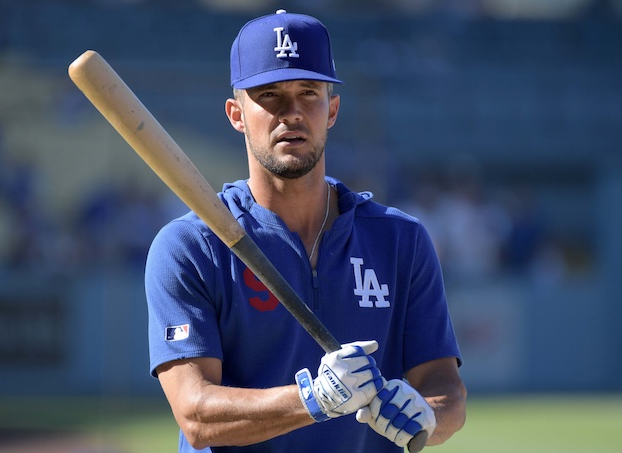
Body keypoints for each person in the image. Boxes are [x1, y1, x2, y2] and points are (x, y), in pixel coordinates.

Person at [145, 9, 466, 453]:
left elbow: (444, 385)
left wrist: (429, 414)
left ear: (331, 109)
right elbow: (197, 414)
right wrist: (312, 399)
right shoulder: (192, 246)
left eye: (308, 93)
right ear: (237, 114)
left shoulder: (399, 240)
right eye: (270, 95)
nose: (291, 112)